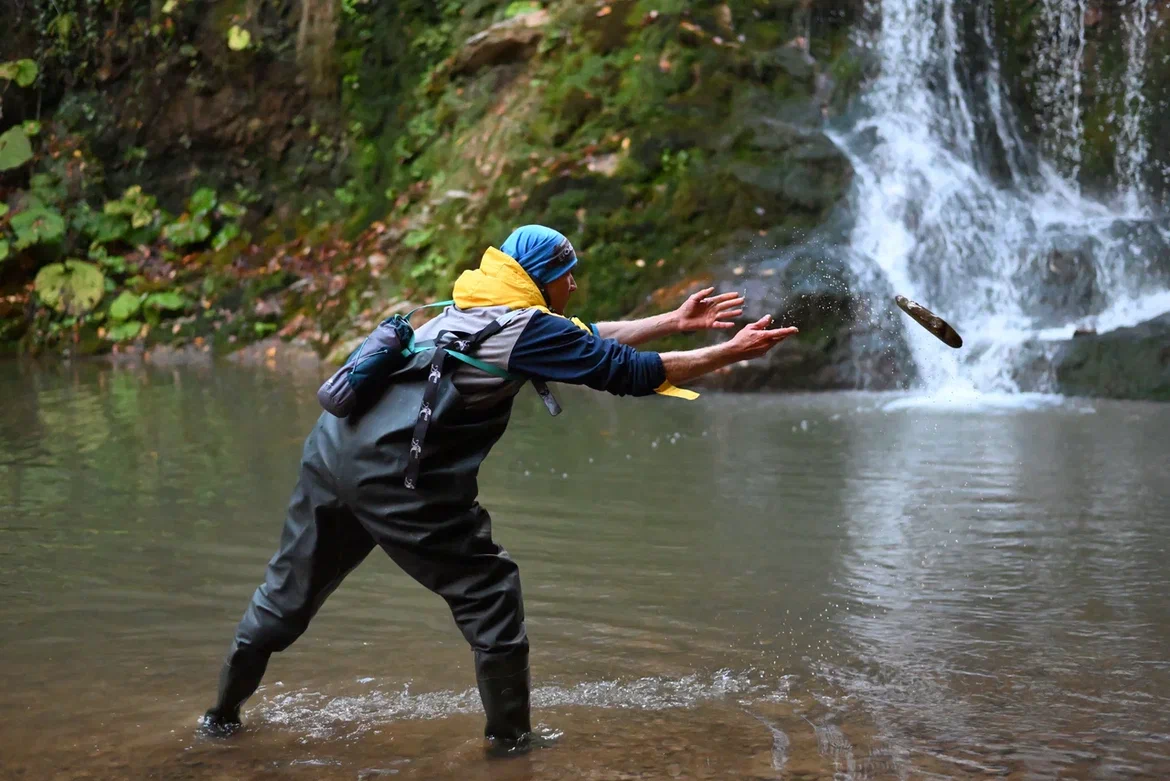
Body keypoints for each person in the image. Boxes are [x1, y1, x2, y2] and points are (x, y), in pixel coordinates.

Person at [199, 224, 798, 751]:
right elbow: (627, 373)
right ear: (544, 280)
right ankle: (511, 747)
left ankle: (219, 720)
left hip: (331, 453)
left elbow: (581, 338)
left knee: (285, 596)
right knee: (490, 594)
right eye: (568, 277)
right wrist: (732, 353)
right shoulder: (525, 328)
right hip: (401, 479)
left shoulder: (469, 302)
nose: (573, 288)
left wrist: (672, 321)